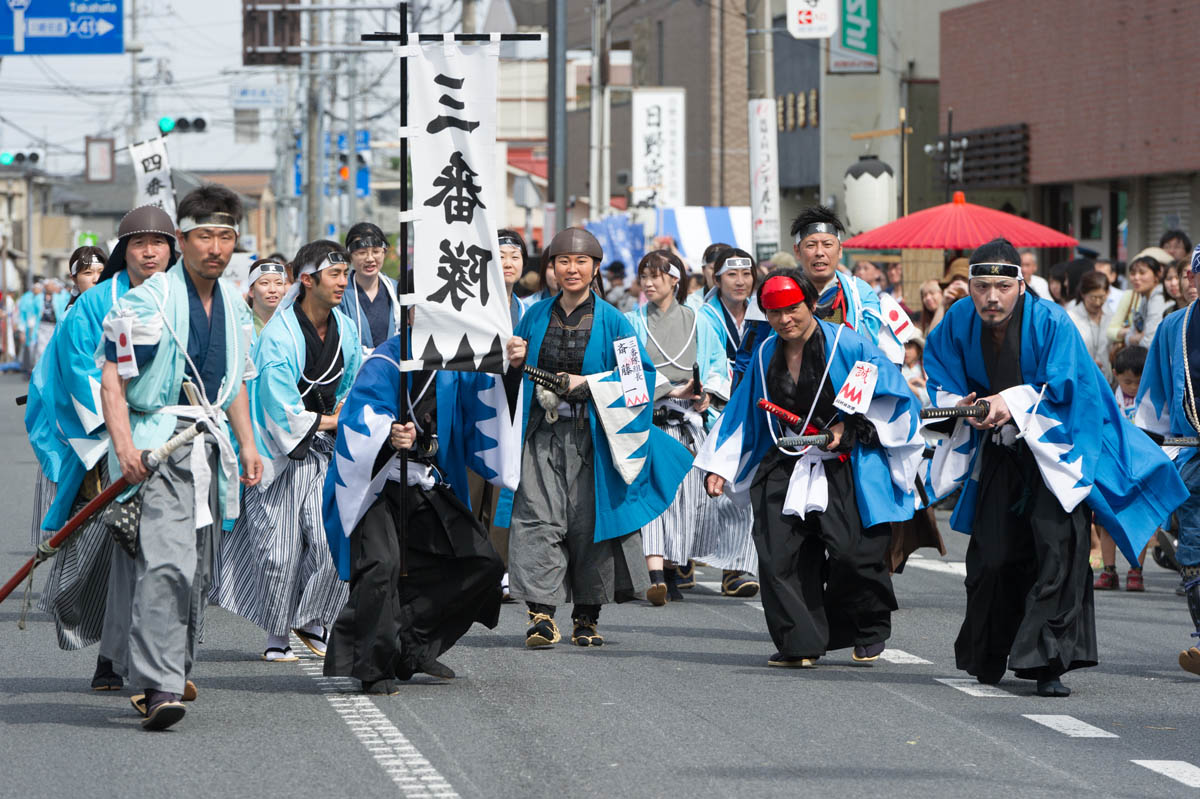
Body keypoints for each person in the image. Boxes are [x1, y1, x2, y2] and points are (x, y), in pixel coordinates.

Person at [922, 238, 1186, 696]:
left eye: (1001, 287)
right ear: (969, 287)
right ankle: (990, 653)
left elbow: (1073, 392)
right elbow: (940, 378)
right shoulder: (958, 321)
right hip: (1001, 451)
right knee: (993, 557)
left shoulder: (1051, 322)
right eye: (981, 286)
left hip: (1060, 451)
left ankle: (1047, 666)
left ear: (1020, 286)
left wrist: (1010, 401)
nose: (991, 297)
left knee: (1058, 553)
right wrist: (959, 406)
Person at [696, 268, 924, 667]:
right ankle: (799, 643)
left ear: (810, 304)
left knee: (855, 554)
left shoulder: (848, 345)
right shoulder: (767, 353)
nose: (784, 319)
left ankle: (866, 626)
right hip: (786, 458)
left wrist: (847, 426)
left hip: (843, 461)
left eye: (792, 309)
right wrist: (721, 466)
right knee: (777, 553)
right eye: (773, 312)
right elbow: (742, 414)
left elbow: (890, 396)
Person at [99, 185, 264, 730]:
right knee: (165, 563)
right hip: (159, 445)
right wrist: (124, 447)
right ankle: (158, 684)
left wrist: (247, 442)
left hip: (209, 450)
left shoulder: (236, 304)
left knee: (194, 571)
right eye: (202, 236)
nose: (214, 247)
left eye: (224, 237)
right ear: (183, 241)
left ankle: (172, 668)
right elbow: (113, 379)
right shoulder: (147, 302)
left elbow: (237, 381)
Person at [505, 228, 692, 647]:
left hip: (593, 436)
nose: (572, 269)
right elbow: (510, 376)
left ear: (594, 269)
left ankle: (587, 616)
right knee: (537, 520)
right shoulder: (534, 316)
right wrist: (515, 361)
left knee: (589, 526)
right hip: (541, 434)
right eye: (563, 261)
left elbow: (638, 382)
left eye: (581, 262)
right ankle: (541, 615)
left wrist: (587, 383)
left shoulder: (614, 321)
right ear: (551, 268)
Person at [24, 206, 178, 691]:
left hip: (174, 441)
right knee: (113, 555)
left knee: (171, 557)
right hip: (108, 447)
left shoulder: (184, 300)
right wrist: (120, 436)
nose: (150, 251)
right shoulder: (93, 306)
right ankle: (113, 657)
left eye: (159, 241)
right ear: (123, 250)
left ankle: (162, 663)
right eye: (139, 242)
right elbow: (78, 375)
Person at [322, 321, 519, 694]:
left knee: (482, 563)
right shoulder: (385, 359)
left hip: (423, 478)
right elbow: (360, 413)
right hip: (377, 481)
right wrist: (389, 432)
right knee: (381, 565)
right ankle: (371, 666)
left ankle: (406, 644)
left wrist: (511, 368)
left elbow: (486, 407)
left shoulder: (454, 362)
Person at [215, 240, 361, 663]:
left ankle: (314, 620)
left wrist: (340, 415)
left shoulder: (346, 329)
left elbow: (350, 381)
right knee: (278, 553)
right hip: (278, 453)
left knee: (330, 536)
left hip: (326, 452)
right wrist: (333, 420)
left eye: (344, 275)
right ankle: (277, 634)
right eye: (335, 275)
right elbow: (280, 409)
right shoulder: (277, 337)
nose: (342, 283)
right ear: (308, 279)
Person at [625, 249, 729, 603]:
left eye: (656, 276)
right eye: (644, 276)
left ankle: (670, 569)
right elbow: (626, 375)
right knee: (650, 492)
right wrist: (669, 389)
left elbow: (716, 367)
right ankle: (653, 573)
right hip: (647, 423)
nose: (648, 283)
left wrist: (707, 394)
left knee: (685, 500)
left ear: (675, 279)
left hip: (687, 422)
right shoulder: (631, 321)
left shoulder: (701, 320)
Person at [1134, 247, 1200, 676]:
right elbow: (1152, 403)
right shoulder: (1174, 327)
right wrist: (1146, 456)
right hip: (1190, 449)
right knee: (1193, 547)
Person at [697, 247, 768, 596]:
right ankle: (685, 559)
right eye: (731, 275)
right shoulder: (701, 314)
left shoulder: (763, 311)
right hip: (711, 406)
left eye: (745, 274)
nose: (740, 282)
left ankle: (737, 566)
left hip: (753, 404)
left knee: (743, 488)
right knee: (711, 490)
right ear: (716, 278)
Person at [1094, 346, 1148, 592]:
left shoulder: (1151, 401)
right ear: (1115, 374)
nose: (1134, 387)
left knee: (1140, 520)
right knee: (1106, 520)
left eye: (1139, 381)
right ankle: (1109, 570)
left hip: (1139, 466)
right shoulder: (1108, 397)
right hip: (1112, 466)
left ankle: (1136, 570)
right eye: (1128, 381)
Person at [790, 206, 882, 345]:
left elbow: (876, 350)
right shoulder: (778, 291)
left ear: (840, 250)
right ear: (797, 251)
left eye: (827, 244)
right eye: (811, 245)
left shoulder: (861, 294)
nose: (819, 252)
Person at [339, 221, 400, 353]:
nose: (370, 259)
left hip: (392, 368)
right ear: (350, 257)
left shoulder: (396, 291)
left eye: (376, 252)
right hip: (356, 370)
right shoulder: (339, 293)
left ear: (384, 252)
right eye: (362, 253)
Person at [1108, 254, 1167, 353]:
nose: (1136, 277)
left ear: (1157, 275)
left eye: (1142, 273)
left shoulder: (1159, 298)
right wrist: (1135, 338)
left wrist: (1136, 338)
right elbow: (1131, 334)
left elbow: (1149, 343)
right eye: (1132, 273)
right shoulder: (1145, 297)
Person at [1069, 270, 1114, 383]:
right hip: (1082, 380)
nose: (1098, 302)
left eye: (1102, 297)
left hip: (1106, 381)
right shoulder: (1071, 317)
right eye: (1093, 297)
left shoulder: (1111, 316)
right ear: (1083, 294)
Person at [246, 257, 289, 334]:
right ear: (251, 291)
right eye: (265, 283)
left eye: (278, 283)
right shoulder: (241, 325)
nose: (272, 290)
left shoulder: (292, 325)